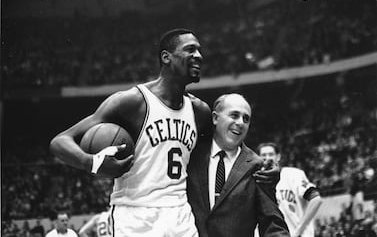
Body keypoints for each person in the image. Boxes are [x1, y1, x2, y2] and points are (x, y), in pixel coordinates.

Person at [50, 28, 211, 237]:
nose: (199, 56)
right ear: (166, 57)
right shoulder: (132, 102)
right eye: (190, 50)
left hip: (179, 214)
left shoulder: (200, 112)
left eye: (199, 50)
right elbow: (60, 141)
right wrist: (91, 162)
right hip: (135, 214)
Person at [187, 93, 290, 237]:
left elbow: (273, 224)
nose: (241, 122)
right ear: (215, 118)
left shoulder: (258, 167)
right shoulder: (191, 155)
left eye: (246, 119)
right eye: (234, 115)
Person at [257, 142, 323, 237]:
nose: (267, 158)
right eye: (263, 155)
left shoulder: (293, 174)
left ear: (278, 157)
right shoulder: (257, 181)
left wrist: (298, 231)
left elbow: (316, 199)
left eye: (271, 154)